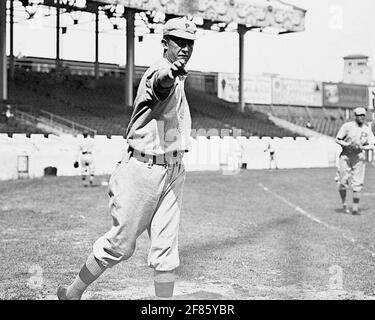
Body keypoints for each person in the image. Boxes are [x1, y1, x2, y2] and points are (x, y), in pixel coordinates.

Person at [57, 17, 197, 300]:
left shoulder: (178, 76)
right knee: (120, 246)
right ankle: (73, 292)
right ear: (164, 44)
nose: (185, 47)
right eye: (179, 41)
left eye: (189, 43)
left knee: (167, 249)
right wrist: (170, 73)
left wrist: (175, 75)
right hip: (142, 171)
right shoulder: (160, 71)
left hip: (172, 170)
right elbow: (161, 84)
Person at [335, 107, 375, 215]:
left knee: (358, 182)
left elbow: (372, 144)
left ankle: (355, 209)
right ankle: (344, 204)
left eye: (363, 115)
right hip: (346, 155)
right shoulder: (347, 126)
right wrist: (348, 145)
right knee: (343, 181)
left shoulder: (367, 129)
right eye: (359, 115)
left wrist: (362, 147)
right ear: (355, 116)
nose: (362, 117)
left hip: (358, 156)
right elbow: (337, 139)